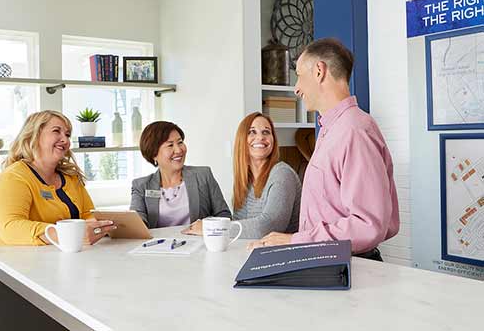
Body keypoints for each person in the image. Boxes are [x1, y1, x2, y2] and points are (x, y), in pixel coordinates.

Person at [250, 38, 399, 261]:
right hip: (328, 260)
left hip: (350, 266)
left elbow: (368, 224)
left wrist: (295, 241)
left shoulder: (354, 131)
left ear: (319, 71)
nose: (297, 88)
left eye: (299, 75)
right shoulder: (332, 129)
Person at [0, 110, 116, 246]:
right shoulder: (13, 177)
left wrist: (103, 226)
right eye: (56, 131)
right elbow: (10, 228)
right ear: (34, 135)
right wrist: (68, 235)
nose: (65, 140)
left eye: (67, 135)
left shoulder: (70, 178)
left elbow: (87, 215)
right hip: (15, 262)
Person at [184, 112, 301, 238]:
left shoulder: (282, 174)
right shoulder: (245, 180)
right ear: (242, 139)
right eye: (252, 132)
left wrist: (212, 229)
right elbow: (239, 223)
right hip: (253, 250)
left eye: (266, 132)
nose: (260, 137)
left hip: (281, 254)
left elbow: (268, 227)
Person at [130, 121, 231, 228]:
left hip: (199, 243)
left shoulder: (203, 176)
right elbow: (136, 224)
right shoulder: (141, 186)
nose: (178, 150)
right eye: (170, 145)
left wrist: (208, 227)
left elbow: (225, 215)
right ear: (154, 154)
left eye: (180, 142)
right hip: (160, 244)